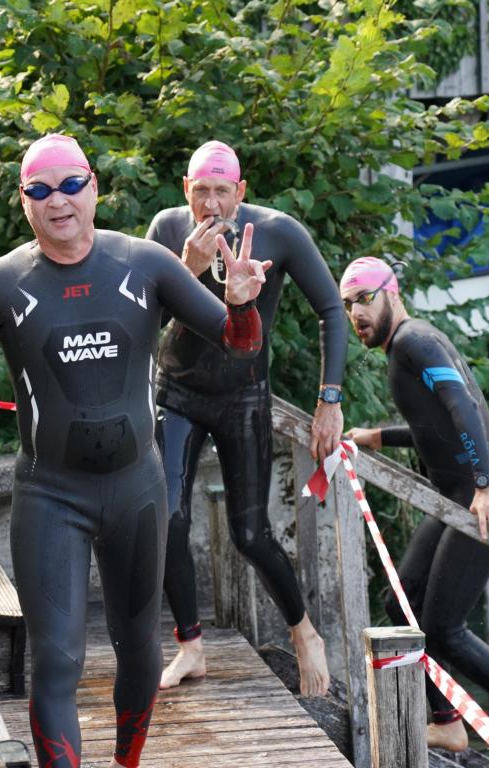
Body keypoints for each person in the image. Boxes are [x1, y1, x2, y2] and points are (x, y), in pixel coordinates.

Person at [0, 134, 272, 768]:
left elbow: (240, 346)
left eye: (71, 184)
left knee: (141, 653)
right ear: (24, 201)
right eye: (40, 190)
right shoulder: (1, 282)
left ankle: (127, 762)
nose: (59, 201)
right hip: (51, 495)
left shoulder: (146, 263)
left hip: (136, 491)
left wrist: (242, 305)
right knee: (58, 661)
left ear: (93, 187)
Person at [339, 257, 489, 768]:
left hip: (483, 498)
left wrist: (484, 484)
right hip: (455, 498)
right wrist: (378, 437)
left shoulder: (415, 341)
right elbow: (434, 426)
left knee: (443, 627)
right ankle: (448, 722)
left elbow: (464, 407)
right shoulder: (407, 346)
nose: (356, 313)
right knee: (402, 606)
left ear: (392, 292)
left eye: (365, 298)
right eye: (348, 304)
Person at [145, 140, 348, 696]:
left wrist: (329, 400)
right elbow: (141, 316)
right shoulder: (167, 229)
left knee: (252, 533)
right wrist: (185, 268)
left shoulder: (279, 232)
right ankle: (190, 646)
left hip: (243, 396)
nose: (211, 204)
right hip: (178, 391)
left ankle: (305, 632)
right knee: (168, 519)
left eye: (222, 191)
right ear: (185, 190)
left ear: (240, 191)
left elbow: (332, 309)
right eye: (200, 191)